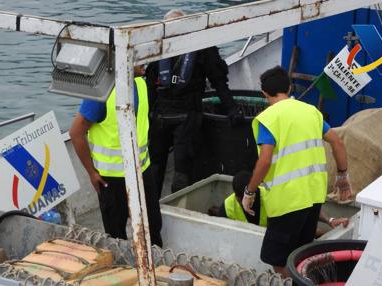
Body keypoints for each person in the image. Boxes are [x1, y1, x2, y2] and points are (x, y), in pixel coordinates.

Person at [242, 66, 352, 277]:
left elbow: (265, 161)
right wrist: (342, 178)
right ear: (290, 87)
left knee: (277, 260)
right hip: (313, 197)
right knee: (301, 256)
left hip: (287, 201)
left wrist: (250, 191)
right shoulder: (311, 112)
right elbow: (337, 142)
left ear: (264, 93)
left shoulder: (269, 118)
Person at [146, 9, 243, 197]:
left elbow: (149, 87)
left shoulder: (155, 47)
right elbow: (219, 81)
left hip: (159, 117)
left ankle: (151, 208)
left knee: (155, 166)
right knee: (183, 169)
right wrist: (232, 109)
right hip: (187, 117)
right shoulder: (203, 47)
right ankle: (179, 207)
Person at [69, 66, 163, 247]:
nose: (145, 62)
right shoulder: (101, 93)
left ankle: (156, 269)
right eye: (137, 56)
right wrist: (92, 173)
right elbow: (76, 133)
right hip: (112, 180)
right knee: (116, 236)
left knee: (152, 228)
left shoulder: (141, 84)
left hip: (142, 171)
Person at [216, 171, 349, 231]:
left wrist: (330, 220)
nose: (250, 201)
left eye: (252, 195)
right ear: (237, 196)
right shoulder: (227, 208)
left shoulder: (269, 195)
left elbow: (303, 205)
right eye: (244, 198)